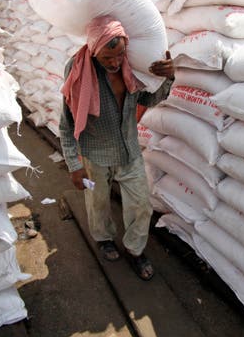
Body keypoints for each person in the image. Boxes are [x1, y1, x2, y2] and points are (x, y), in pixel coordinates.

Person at [59, 15, 175, 281]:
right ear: (93, 51)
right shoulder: (77, 72)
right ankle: (104, 239)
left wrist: (169, 79)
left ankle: (135, 250)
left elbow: (148, 99)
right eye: (106, 58)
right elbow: (66, 122)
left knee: (141, 204)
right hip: (94, 156)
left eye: (119, 55)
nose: (113, 63)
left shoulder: (130, 69)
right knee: (97, 201)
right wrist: (74, 165)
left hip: (129, 151)